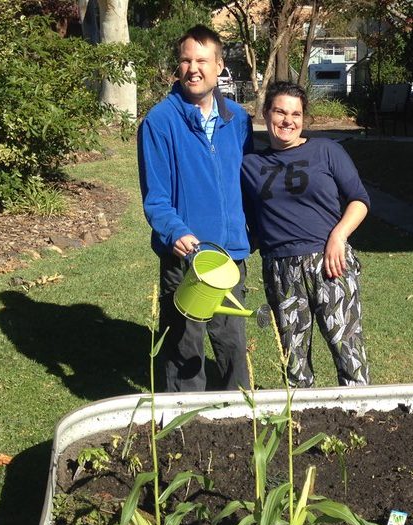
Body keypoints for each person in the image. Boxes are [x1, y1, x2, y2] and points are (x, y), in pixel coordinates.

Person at [137, 25, 252, 392]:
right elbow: (155, 197)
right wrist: (176, 232)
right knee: (184, 348)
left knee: (232, 344)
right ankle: (184, 428)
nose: (193, 68)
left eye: (202, 60)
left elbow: (249, 183)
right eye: (186, 60)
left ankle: (241, 416)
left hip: (229, 256)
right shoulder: (160, 122)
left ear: (219, 66)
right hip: (185, 257)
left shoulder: (238, 119)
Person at [241, 82, 370, 387]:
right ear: (265, 113)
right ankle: (299, 426)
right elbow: (251, 222)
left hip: (330, 263)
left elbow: (359, 200)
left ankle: (361, 415)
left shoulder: (326, 150)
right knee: (294, 361)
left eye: (296, 113)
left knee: (348, 349)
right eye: (280, 111)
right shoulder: (249, 165)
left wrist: (339, 236)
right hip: (280, 269)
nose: (288, 120)